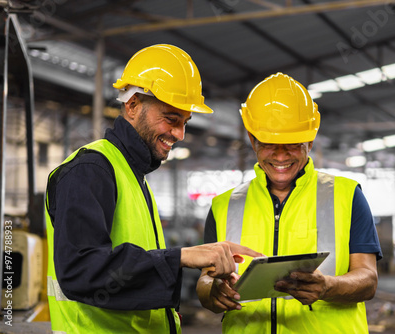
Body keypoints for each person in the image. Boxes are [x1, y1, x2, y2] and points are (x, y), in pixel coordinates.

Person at [44, 44, 262, 334]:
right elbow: (81, 270)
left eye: (185, 122)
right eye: (171, 118)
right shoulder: (92, 170)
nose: (180, 134)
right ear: (132, 105)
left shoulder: (133, 173)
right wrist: (181, 257)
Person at [196, 72, 382, 333]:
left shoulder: (347, 196)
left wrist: (328, 286)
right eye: (270, 144)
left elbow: (368, 280)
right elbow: (205, 282)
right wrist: (213, 293)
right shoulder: (223, 206)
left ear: (310, 139)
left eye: (292, 144)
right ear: (252, 139)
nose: (281, 156)